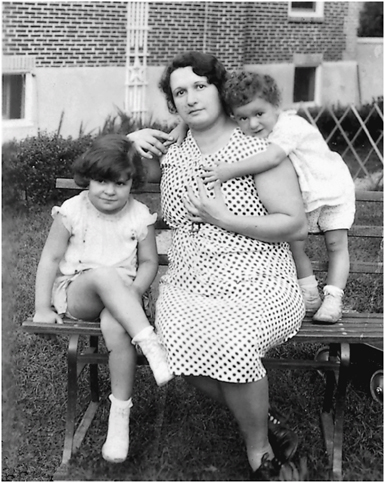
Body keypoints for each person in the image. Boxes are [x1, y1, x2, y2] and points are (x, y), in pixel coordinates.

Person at [128, 51, 307, 480]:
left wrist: (223, 218)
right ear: (174, 105)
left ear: (219, 89)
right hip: (187, 281)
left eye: (200, 86)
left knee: (234, 343)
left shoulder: (257, 147)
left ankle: (259, 449)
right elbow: (104, 174)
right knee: (172, 353)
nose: (190, 98)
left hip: (260, 278)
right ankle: (269, 417)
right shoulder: (172, 153)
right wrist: (131, 141)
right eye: (179, 92)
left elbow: (294, 223)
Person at [33, 134, 173, 464]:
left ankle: (119, 419)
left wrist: (132, 295)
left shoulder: (139, 215)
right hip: (79, 294)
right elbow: (50, 259)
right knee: (104, 274)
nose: (109, 191)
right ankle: (151, 344)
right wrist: (42, 307)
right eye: (100, 182)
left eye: (119, 183)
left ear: (132, 182)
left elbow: (150, 262)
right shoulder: (72, 210)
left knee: (117, 328)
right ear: (88, 179)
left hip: (122, 299)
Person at [200, 71, 356, 324]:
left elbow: (271, 158)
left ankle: (333, 298)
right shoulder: (259, 131)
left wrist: (228, 170)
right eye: (243, 117)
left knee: (336, 244)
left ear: (276, 106)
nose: (252, 124)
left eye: (259, 114)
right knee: (293, 243)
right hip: (305, 195)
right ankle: (309, 294)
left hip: (332, 189)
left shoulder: (289, 126)